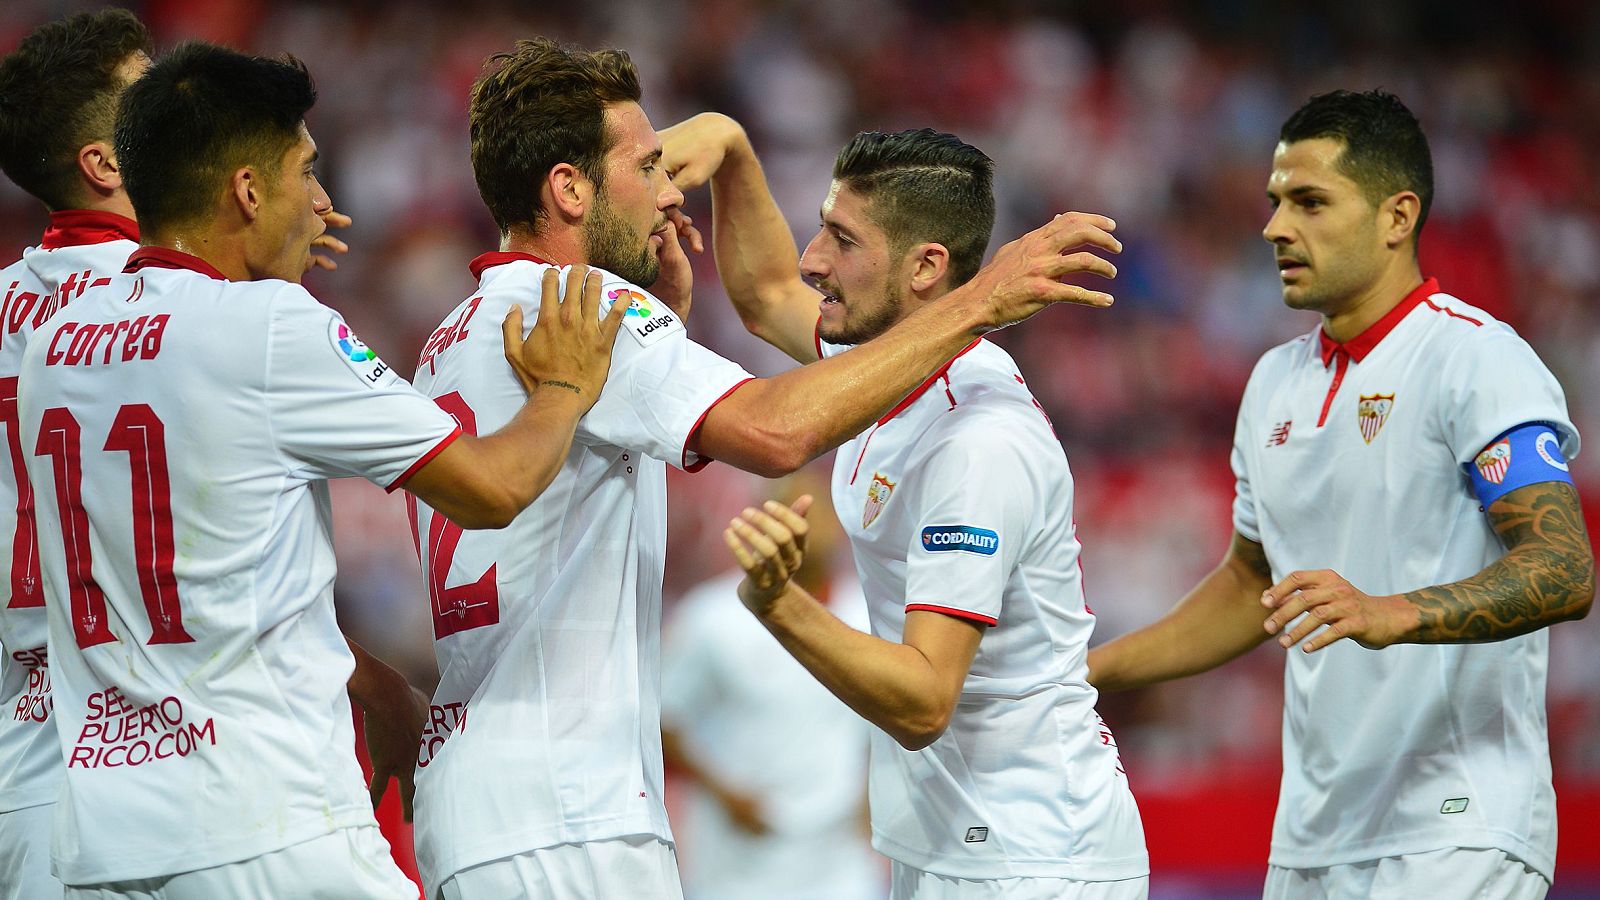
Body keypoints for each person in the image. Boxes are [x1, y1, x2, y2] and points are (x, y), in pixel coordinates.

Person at [406, 37, 1123, 900]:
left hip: (476, 806)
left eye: (839, 238)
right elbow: (781, 428)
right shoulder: (594, 314)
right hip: (570, 818)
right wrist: (984, 301)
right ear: (569, 187)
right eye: (648, 164)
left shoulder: (448, 337)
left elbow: (767, 304)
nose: (671, 190)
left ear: (924, 266)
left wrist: (734, 160)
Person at [16, 42, 625, 898]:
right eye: (305, 171)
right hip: (269, 823)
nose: (323, 200)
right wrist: (562, 388)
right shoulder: (270, 325)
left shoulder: (49, 345)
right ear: (246, 191)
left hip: (103, 845)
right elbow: (494, 490)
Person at [1085, 89, 1593, 899]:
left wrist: (1391, 612)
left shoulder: (1477, 362)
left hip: (1455, 825)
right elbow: (1254, 586)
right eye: (1276, 202)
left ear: (1398, 217)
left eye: (1311, 202)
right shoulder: (1273, 383)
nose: (1276, 227)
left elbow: (1565, 568)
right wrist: (1090, 671)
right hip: (1313, 835)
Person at [669, 118, 1148, 898]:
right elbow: (763, 294)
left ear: (926, 267)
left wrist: (778, 604)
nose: (811, 259)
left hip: (1031, 858)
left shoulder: (978, 443)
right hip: (954, 841)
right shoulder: (879, 368)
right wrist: (733, 148)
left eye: (842, 240)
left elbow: (924, 700)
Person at [0, 12, 151, 899]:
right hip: (160, 763)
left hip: (22, 771)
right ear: (105, 162)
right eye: (154, 93)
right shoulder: (184, 306)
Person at [660, 473, 883, 900]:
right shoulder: (713, 616)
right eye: (794, 516)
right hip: (738, 862)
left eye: (818, 517)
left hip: (839, 862)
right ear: (763, 525)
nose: (809, 530)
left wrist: (874, 794)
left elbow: (889, 718)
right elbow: (665, 720)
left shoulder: (866, 615)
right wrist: (725, 793)